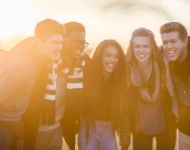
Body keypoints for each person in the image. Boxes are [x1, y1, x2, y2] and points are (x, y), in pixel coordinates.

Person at [0, 18, 64, 150]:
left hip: (20, 122)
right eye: (54, 42)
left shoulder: (43, 60)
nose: (60, 47)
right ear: (40, 43)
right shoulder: (22, 67)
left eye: (61, 42)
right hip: (6, 126)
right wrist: (11, 121)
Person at [120, 27, 176, 150]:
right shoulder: (126, 69)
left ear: (152, 48)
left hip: (164, 124)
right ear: (132, 47)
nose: (141, 50)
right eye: (137, 46)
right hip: (140, 128)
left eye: (146, 46)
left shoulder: (162, 64)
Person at [78, 39, 126, 150]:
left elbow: (124, 110)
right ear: (100, 56)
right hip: (89, 127)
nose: (112, 60)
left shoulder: (120, 80)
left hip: (109, 129)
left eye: (116, 56)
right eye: (108, 55)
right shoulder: (88, 74)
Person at [160, 22, 190, 150]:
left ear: (185, 41)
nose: (168, 46)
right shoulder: (169, 62)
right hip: (185, 134)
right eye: (165, 42)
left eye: (173, 41)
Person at [60, 21, 90, 150]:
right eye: (75, 41)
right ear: (63, 40)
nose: (80, 46)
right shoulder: (53, 63)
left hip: (83, 118)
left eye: (82, 42)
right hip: (59, 120)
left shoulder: (87, 61)